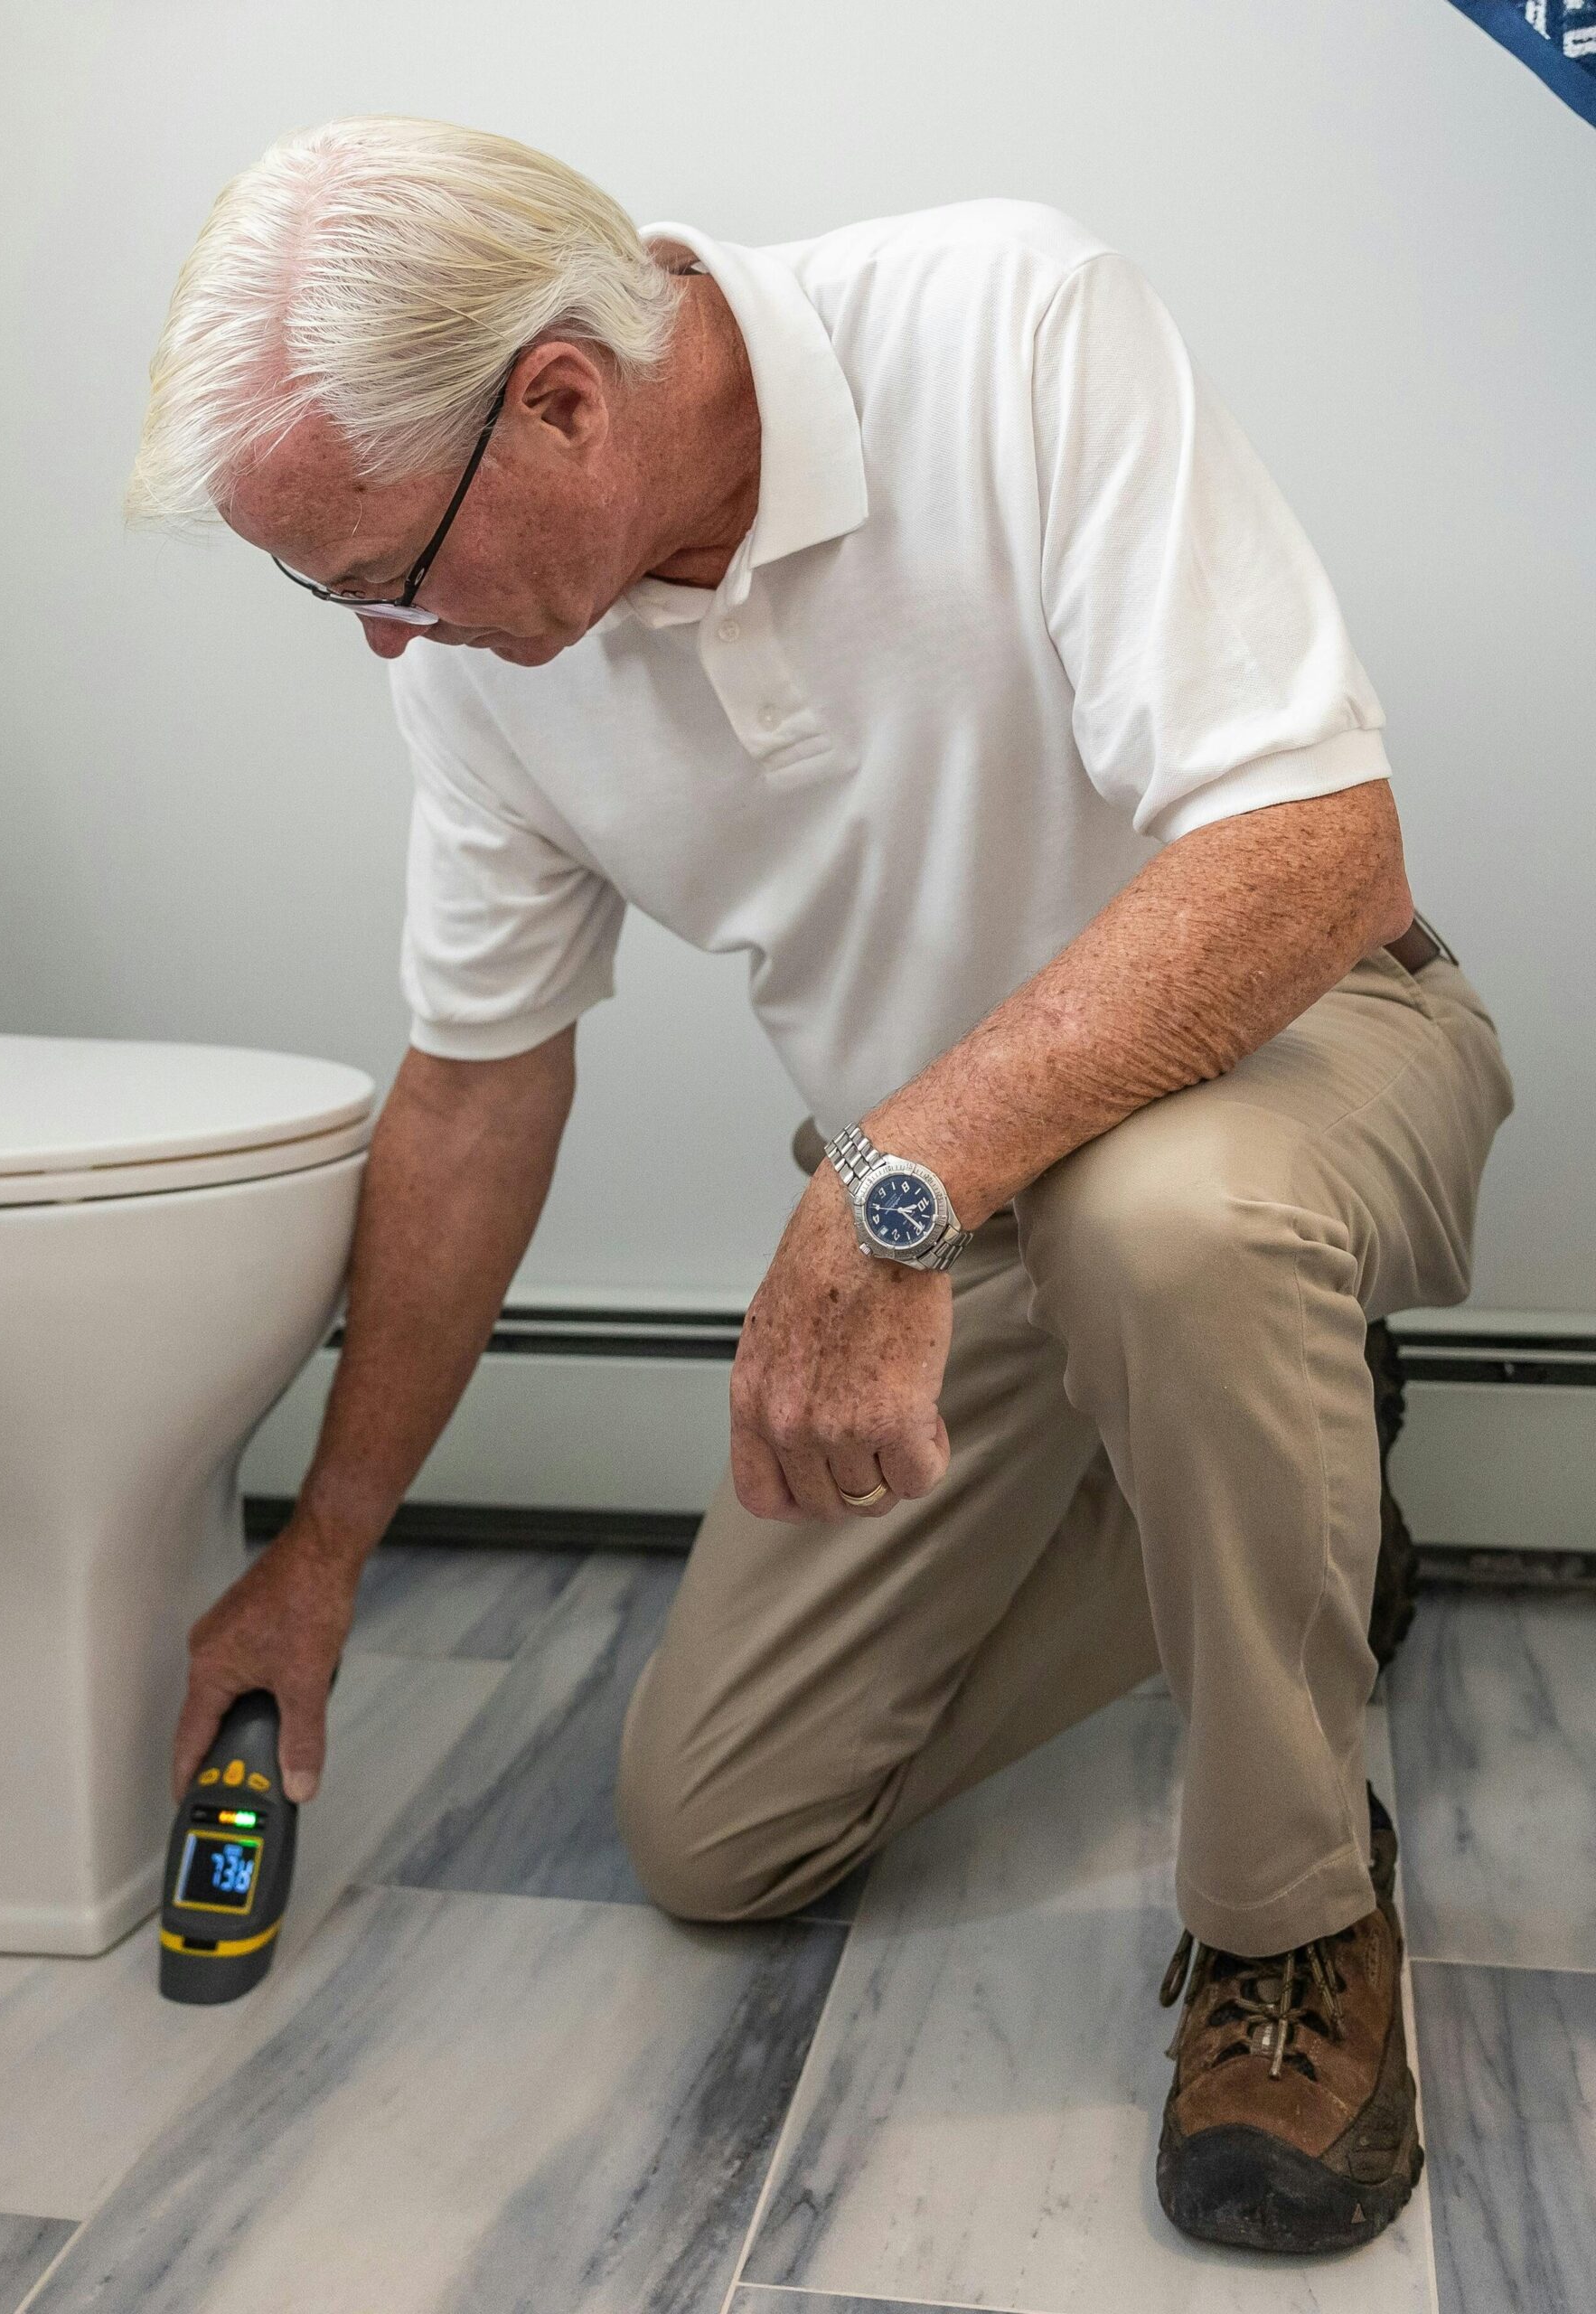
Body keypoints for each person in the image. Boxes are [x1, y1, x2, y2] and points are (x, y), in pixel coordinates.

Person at [125, 117, 1510, 2255]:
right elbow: (476, 1090)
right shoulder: (496, 667)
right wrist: (322, 1544)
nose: (382, 643)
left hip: (1296, 1057)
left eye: (373, 571)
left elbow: (1314, 851)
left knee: (1167, 1220)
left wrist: (889, 1180)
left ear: (564, 400)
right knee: (717, 1828)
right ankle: (1300, 1495)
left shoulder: (1006, 326)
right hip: (943, 1193)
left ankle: (1289, 1927)